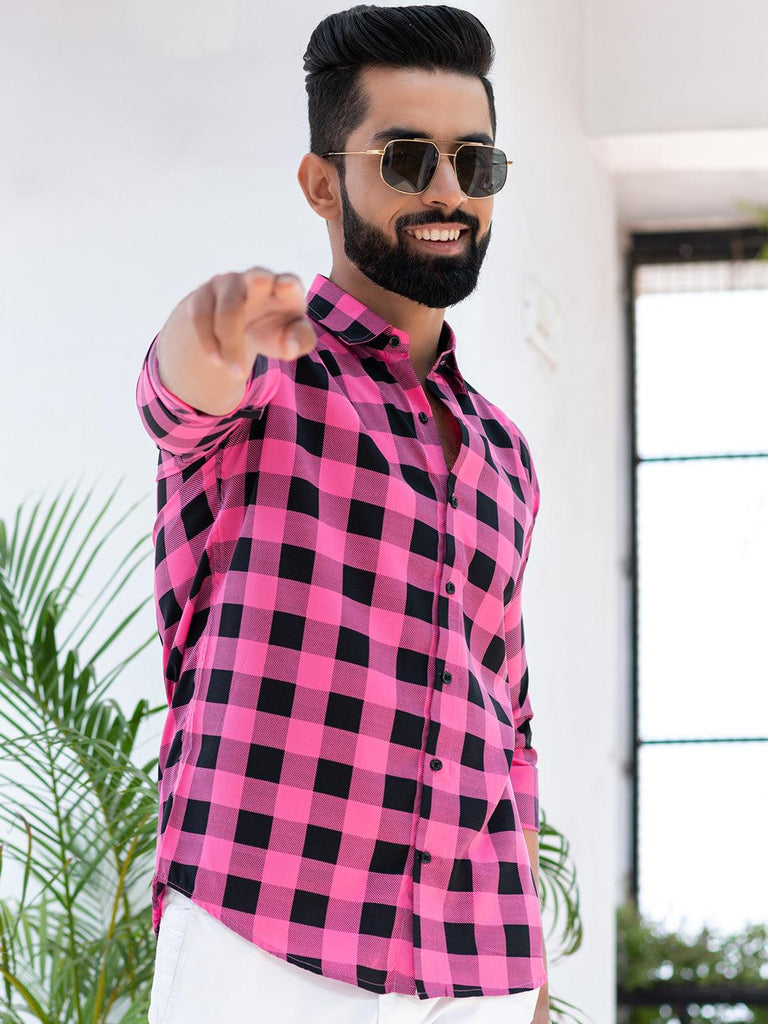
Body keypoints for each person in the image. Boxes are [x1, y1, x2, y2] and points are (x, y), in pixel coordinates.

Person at [135, 5, 549, 1022]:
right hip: (265, 931)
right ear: (323, 183)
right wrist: (213, 324)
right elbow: (179, 397)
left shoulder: (503, 451)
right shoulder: (270, 371)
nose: (448, 190)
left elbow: (508, 714)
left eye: (475, 163)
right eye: (406, 159)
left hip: (478, 962)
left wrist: (530, 964)